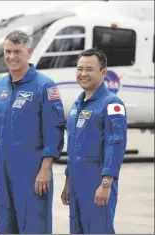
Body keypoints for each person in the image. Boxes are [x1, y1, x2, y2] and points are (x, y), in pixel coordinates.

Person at [0, 30, 66, 234]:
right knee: (6, 223)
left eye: (17, 51)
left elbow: (54, 129)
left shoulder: (44, 86)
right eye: (7, 51)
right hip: (3, 168)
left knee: (34, 224)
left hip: (32, 169)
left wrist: (46, 167)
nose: (11, 57)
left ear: (29, 52)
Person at [60, 48, 127, 234]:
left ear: (103, 72)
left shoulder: (111, 104)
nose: (83, 74)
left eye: (89, 69)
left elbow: (116, 145)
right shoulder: (77, 104)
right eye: (79, 69)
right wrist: (68, 182)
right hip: (76, 185)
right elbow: (73, 147)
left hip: (96, 183)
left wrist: (106, 183)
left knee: (99, 229)